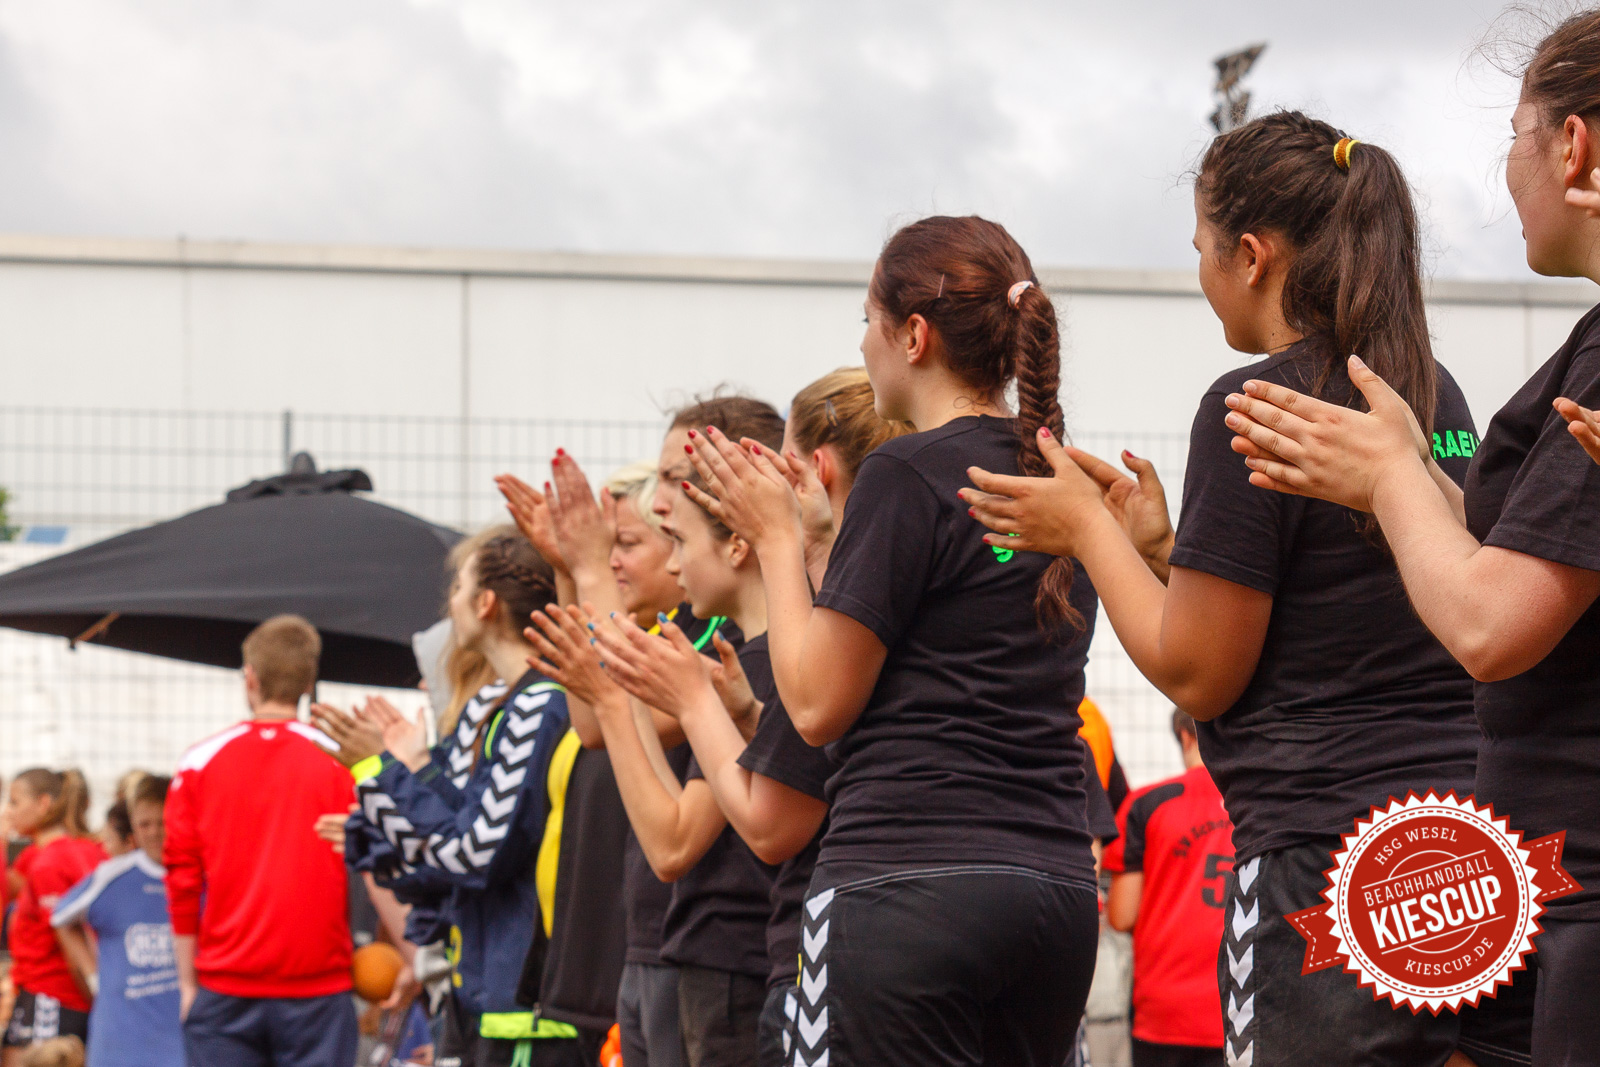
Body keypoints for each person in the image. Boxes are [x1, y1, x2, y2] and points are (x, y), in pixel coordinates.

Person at [960, 114, 1483, 1067]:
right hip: (1470, 845)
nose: (1200, 272)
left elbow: (1199, 673)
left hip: (1327, 852)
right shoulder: (1430, 390)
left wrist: (1084, 529)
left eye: (1201, 248)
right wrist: (1163, 550)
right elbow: (1338, 610)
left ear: (1251, 255)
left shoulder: (1250, 402)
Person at [1221, 18, 1600, 1062]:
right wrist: (1411, 471)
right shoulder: (1548, 361)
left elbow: (1486, 623)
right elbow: (1514, 553)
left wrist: (1391, 477)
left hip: (1560, 891)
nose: (1508, 164)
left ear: (1572, 147)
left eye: (1515, 133)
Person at [683, 215, 1103, 1067]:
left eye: (867, 323)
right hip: (1055, 890)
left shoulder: (904, 476)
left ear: (913, 335)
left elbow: (814, 704)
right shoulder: (1065, 481)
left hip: (907, 881)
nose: (865, 347)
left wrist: (774, 536)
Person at [581, 368, 909, 1067]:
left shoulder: (797, 645)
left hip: (769, 955)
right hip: (764, 953)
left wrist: (668, 699)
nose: (663, 510)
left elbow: (737, 829)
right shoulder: (765, 658)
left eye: (681, 478)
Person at [356, 531, 573, 1067]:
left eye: (457, 585)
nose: (448, 602)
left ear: (486, 603)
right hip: (483, 990)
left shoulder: (540, 705)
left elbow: (472, 852)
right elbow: (453, 833)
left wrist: (384, 772)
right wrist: (399, 784)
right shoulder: (502, 707)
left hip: (524, 1006)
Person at [164, 614, 360, 1066]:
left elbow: (181, 878)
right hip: (319, 987)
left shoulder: (199, 762)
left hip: (225, 987)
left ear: (249, 678)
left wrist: (188, 984)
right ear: (309, 683)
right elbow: (373, 862)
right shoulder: (342, 762)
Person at [1103, 712, 1232, 1067]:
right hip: (1244, 1004)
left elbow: (1122, 916)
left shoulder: (1148, 804)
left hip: (1164, 1012)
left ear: (1183, 734)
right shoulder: (1259, 806)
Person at [51, 776, 182, 1067]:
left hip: (182, 1041)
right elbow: (61, 918)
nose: (154, 833)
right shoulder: (111, 877)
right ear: (133, 826)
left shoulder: (200, 877)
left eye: (162, 822)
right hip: (119, 1044)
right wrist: (93, 975)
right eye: (144, 824)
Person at [2, 771, 104, 1060]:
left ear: (43, 803)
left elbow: (73, 940)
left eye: (14, 802)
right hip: (50, 994)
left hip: (54, 996)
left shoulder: (52, 860)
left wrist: (99, 1002)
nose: (8, 811)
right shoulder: (51, 854)